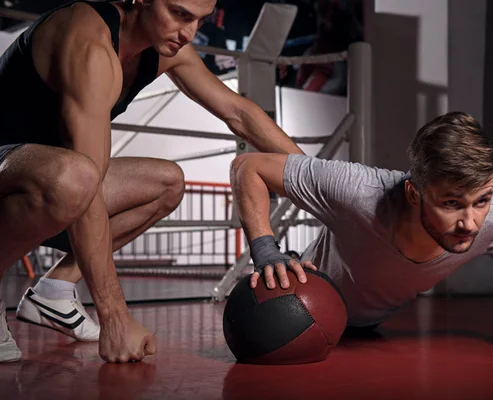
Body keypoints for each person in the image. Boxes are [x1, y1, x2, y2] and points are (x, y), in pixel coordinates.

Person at [0, 0, 303, 363]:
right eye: (180, 14)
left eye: (200, 21)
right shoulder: (88, 44)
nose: (190, 33)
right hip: (16, 168)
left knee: (166, 182)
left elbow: (238, 112)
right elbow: (87, 185)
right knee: (77, 177)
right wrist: (115, 318)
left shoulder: (163, 49)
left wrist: (319, 183)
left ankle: (55, 289)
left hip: (52, 180)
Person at [230, 111, 493, 358]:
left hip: (366, 331)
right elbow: (249, 167)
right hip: (299, 305)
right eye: (451, 203)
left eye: (481, 200)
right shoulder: (357, 189)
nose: (470, 222)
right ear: (413, 193)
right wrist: (265, 251)